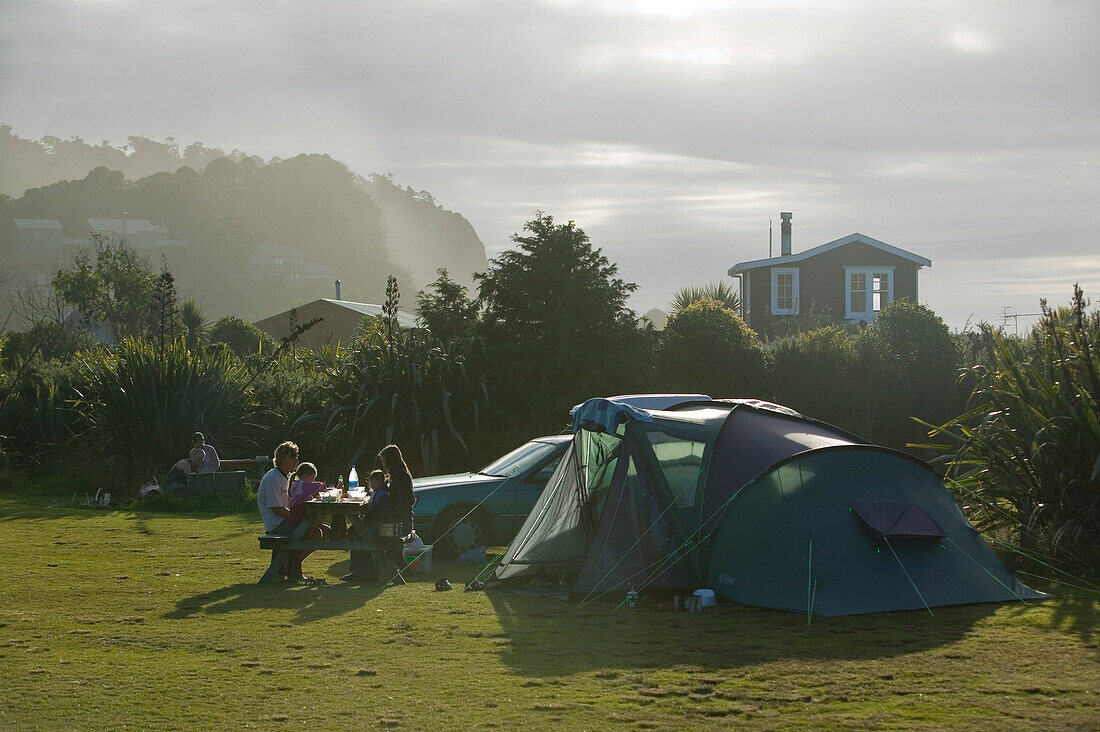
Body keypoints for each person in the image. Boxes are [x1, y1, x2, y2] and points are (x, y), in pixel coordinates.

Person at [257, 441, 328, 582]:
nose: (297, 459)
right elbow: (277, 509)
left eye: (297, 455)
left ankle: (289, 565)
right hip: (277, 524)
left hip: (286, 520)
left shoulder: (287, 477)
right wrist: (297, 518)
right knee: (314, 532)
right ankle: (293, 569)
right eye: (293, 456)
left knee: (326, 531)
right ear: (282, 458)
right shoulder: (273, 478)